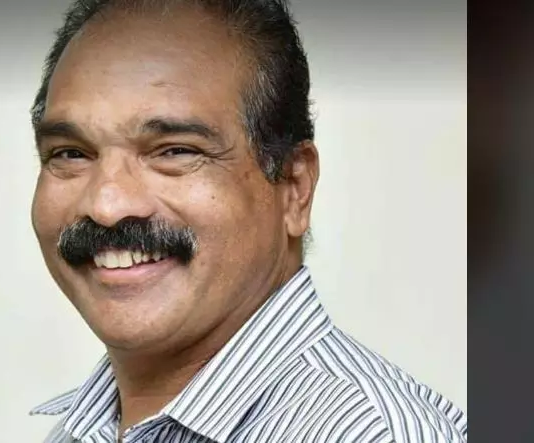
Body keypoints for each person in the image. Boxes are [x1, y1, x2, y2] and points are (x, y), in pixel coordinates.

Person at [27, 1, 467, 441]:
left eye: (175, 151)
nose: (106, 205)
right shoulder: (83, 430)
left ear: (295, 187)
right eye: (71, 154)